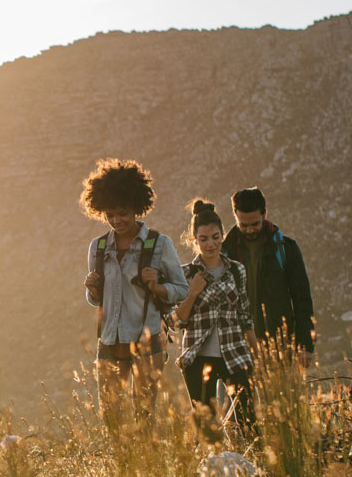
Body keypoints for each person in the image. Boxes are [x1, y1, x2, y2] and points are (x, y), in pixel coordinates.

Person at [80, 159, 189, 434]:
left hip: (147, 342)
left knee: (143, 416)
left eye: (123, 213)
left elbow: (182, 289)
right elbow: (96, 300)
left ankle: (143, 469)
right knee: (112, 417)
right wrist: (92, 289)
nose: (116, 220)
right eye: (109, 214)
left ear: (137, 208)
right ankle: (124, 469)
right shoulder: (98, 246)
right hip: (108, 341)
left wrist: (158, 287)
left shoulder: (159, 244)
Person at [171, 198, 254, 431]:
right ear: (194, 240)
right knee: (207, 429)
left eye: (215, 237)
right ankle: (212, 467)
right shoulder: (185, 274)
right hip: (197, 359)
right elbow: (176, 321)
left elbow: (245, 314)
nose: (211, 244)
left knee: (249, 423)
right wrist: (193, 292)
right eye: (204, 239)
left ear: (223, 235)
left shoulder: (237, 270)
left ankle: (250, 466)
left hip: (235, 354)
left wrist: (257, 355)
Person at [221, 186, 315, 368]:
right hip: (237, 345)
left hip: (279, 345)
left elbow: (302, 298)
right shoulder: (225, 252)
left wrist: (305, 345)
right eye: (243, 225)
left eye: (254, 224)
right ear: (235, 216)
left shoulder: (286, 248)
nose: (249, 230)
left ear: (265, 214)